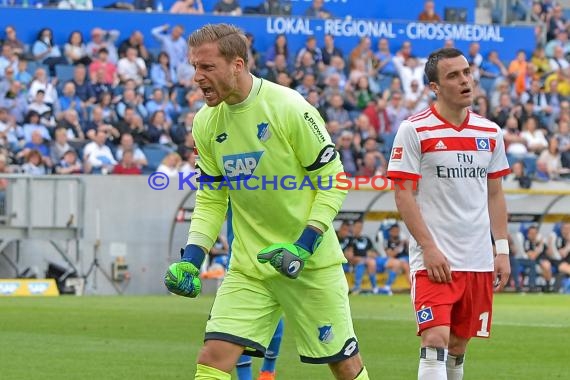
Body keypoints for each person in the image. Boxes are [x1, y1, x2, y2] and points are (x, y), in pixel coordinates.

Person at [164, 23, 369, 380]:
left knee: (344, 365)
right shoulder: (206, 123)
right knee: (213, 358)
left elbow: (333, 181)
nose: (197, 77)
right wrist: (193, 259)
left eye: (207, 67)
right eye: (195, 67)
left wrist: (304, 245)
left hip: (308, 264)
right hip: (249, 268)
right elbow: (212, 198)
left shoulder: (289, 107)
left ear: (237, 65)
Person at [387, 48, 511, 379]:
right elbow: (403, 194)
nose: (464, 81)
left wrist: (501, 249)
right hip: (434, 259)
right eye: (453, 76)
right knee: (435, 339)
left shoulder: (490, 133)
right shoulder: (414, 130)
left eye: (467, 72)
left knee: (457, 345)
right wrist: (428, 247)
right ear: (435, 87)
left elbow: (496, 194)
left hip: (477, 259)